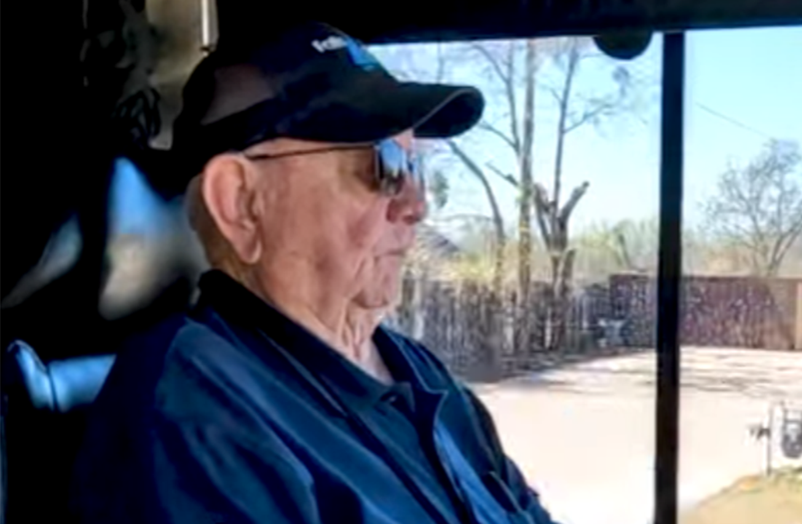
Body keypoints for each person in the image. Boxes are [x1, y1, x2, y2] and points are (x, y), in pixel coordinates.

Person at [69, 20, 559, 524]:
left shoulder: (418, 370)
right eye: (385, 165)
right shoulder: (194, 413)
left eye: (417, 170)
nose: (418, 203)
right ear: (241, 203)